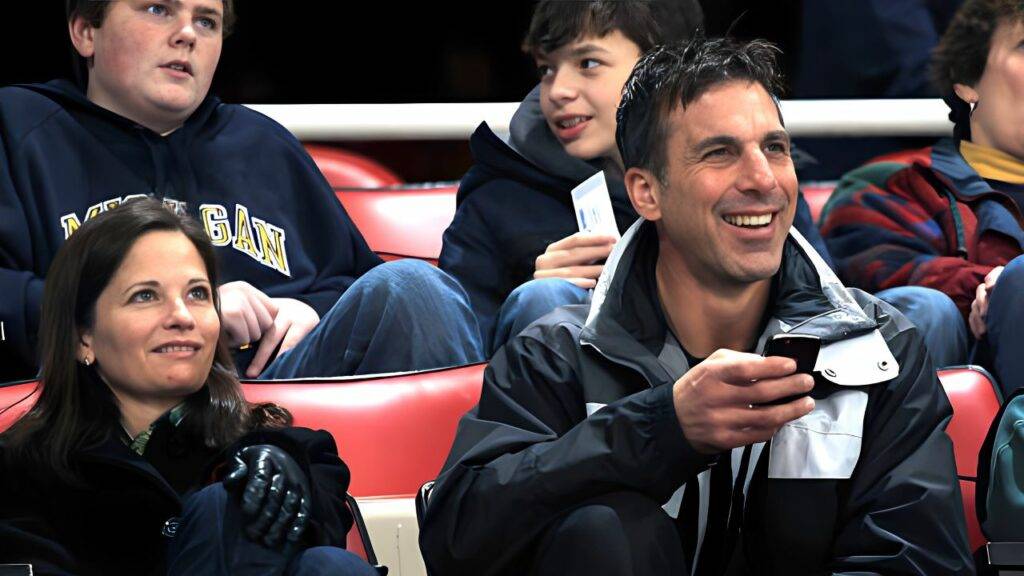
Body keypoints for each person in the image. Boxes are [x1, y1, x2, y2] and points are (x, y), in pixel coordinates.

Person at [419, 37, 973, 575]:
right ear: (646, 193)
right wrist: (660, 428)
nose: (763, 180)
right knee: (604, 531)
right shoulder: (557, 351)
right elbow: (458, 540)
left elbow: (917, 557)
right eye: (720, 153)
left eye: (774, 148)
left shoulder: (880, 347)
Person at [0, 0, 482, 383]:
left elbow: (358, 283)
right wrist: (187, 310)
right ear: (86, 30)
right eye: (157, 9)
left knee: (419, 289)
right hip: (112, 406)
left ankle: (460, 498)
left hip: (283, 401)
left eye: (207, 21)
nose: (187, 33)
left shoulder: (264, 144)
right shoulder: (21, 128)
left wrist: (312, 310)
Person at [0, 198, 377, 575]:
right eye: (145, 296)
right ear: (84, 337)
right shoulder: (23, 473)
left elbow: (325, 512)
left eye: (197, 293)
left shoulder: (284, 448)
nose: (182, 316)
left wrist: (290, 474)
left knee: (327, 566)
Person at [438, 0, 833, 355]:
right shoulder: (497, 192)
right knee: (547, 302)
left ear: (660, 68)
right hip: (573, 427)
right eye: (547, 69)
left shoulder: (760, 184)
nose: (557, 90)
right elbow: (459, 352)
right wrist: (527, 298)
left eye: (587, 63)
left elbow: (828, 309)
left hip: (746, 406)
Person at [820, 0, 1024, 396]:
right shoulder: (895, 181)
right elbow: (874, 278)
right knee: (925, 309)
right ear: (967, 80)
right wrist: (998, 287)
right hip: (974, 386)